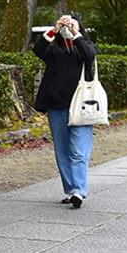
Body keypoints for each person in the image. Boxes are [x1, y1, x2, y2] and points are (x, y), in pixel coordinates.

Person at [32, 13, 98, 208]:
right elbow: (38, 48)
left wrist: (76, 34)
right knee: (62, 149)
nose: (68, 29)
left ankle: (79, 189)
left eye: (72, 25)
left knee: (79, 149)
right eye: (66, 26)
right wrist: (55, 28)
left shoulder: (86, 47)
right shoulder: (54, 50)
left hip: (83, 105)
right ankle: (70, 190)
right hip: (56, 104)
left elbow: (89, 55)